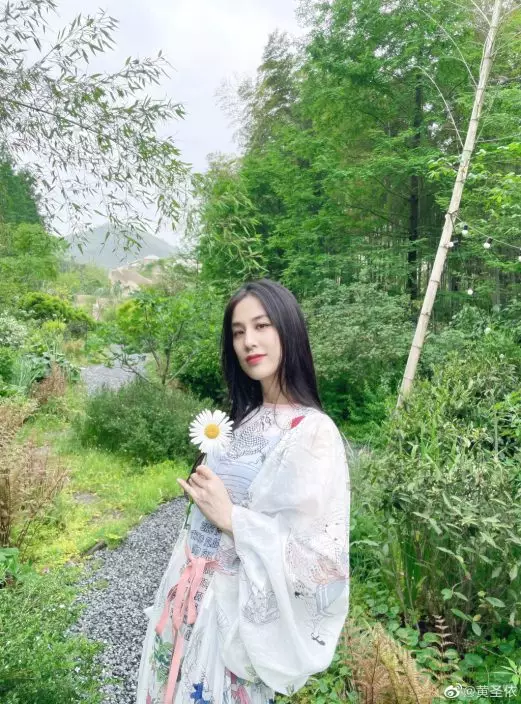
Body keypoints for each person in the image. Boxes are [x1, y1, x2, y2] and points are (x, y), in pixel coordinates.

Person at [136, 278, 350, 704]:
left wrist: (232, 518)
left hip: (232, 626)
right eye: (238, 332)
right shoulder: (241, 418)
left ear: (288, 329)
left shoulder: (313, 432)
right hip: (186, 604)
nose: (248, 341)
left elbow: (321, 562)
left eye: (261, 325)